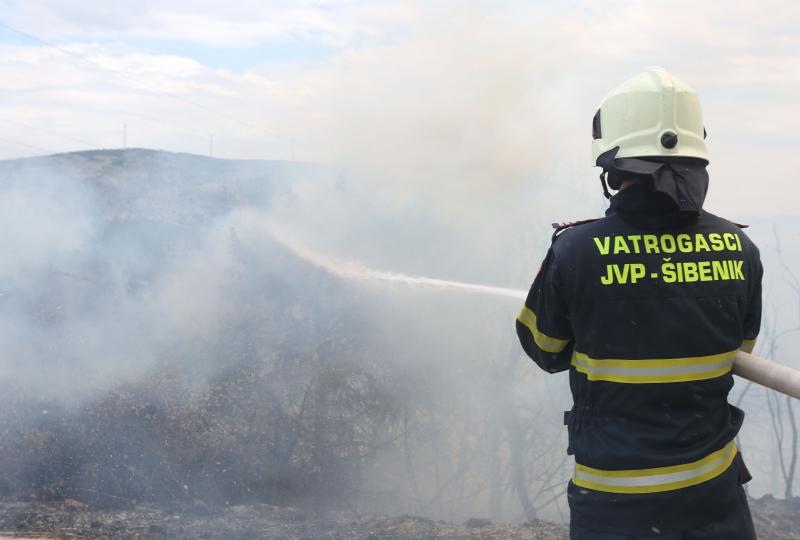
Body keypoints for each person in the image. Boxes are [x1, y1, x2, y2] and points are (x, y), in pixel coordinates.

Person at [516, 67, 762, 539]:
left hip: (617, 505)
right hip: (715, 495)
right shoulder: (740, 248)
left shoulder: (576, 249)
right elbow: (739, 350)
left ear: (612, 164)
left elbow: (544, 348)